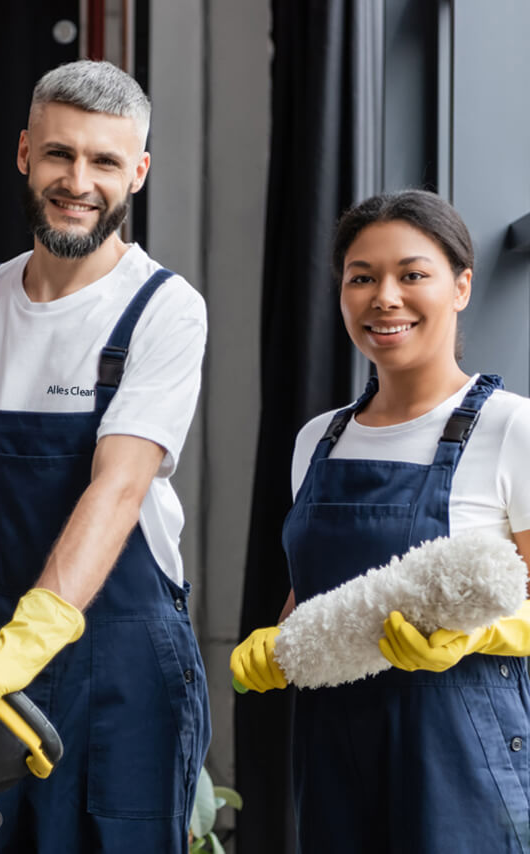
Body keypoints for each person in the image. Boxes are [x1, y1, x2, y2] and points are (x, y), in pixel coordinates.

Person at [0, 59, 212, 852]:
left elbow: (119, 488)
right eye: (60, 154)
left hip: (120, 672)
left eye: (105, 162)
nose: (78, 181)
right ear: (25, 152)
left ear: (140, 172)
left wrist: (31, 639)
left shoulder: (163, 308)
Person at [232, 189, 530, 852]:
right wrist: (278, 642)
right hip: (336, 759)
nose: (384, 297)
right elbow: (317, 590)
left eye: (412, 275)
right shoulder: (320, 439)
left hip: (465, 764)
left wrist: (480, 636)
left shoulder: (512, 428)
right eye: (361, 277)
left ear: (460, 286)